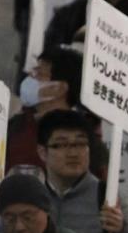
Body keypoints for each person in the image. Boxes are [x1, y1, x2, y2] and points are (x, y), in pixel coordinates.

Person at [35, 110, 128, 233]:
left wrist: (121, 232)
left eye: (80, 144)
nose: (73, 153)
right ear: (42, 152)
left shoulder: (109, 197)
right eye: (62, 144)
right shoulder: (32, 197)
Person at [6, 44, 84, 172]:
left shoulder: (76, 140)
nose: (30, 76)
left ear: (59, 89)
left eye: (39, 73)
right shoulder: (20, 121)